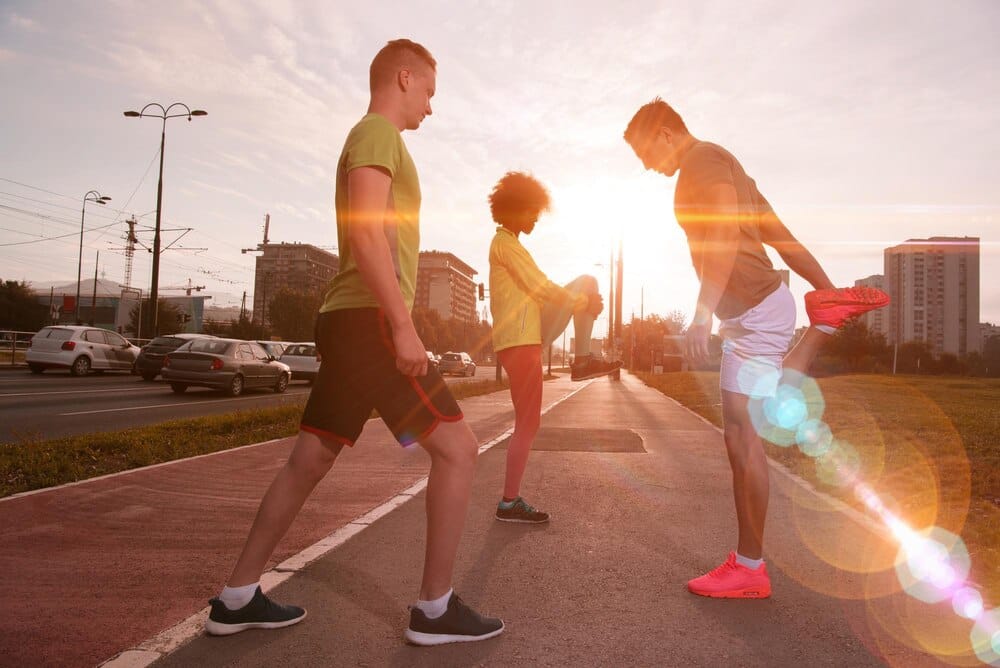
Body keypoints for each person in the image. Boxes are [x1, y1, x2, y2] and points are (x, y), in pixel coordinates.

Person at [205, 39, 504, 646]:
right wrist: (402, 323)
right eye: (428, 92)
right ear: (403, 77)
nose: (431, 107)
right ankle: (435, 609)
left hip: (347, 317)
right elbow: (369, 237)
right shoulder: (376, 133)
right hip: (368, 318)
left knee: (309, 459)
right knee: (459, 450)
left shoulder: (371, 137)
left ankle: (236, 598)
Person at [623, 98, 888, 598]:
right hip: (756, 312)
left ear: (664, 134)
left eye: (645, 154)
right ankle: (822, 325)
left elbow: (723, 233)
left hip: (756, 311)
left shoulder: (700, 162)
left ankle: (749, 567)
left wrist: (702, 311)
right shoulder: (729, 166)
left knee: (745, 436)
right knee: (740, 433)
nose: (648, 168)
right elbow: (780, 237)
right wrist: (826, 290)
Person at [487, 171, 622, 524]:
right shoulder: (505, 244)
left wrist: (581, 303)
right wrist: (578, 304)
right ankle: (508, 501)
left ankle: (581, 358)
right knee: (527, 425)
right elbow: (539, 285)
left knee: (527, 424)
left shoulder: (511, 244)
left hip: (526, 332)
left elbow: (540, 290)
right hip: (521, 339)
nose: (535, 218)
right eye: (532, 211)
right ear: (516, 208)